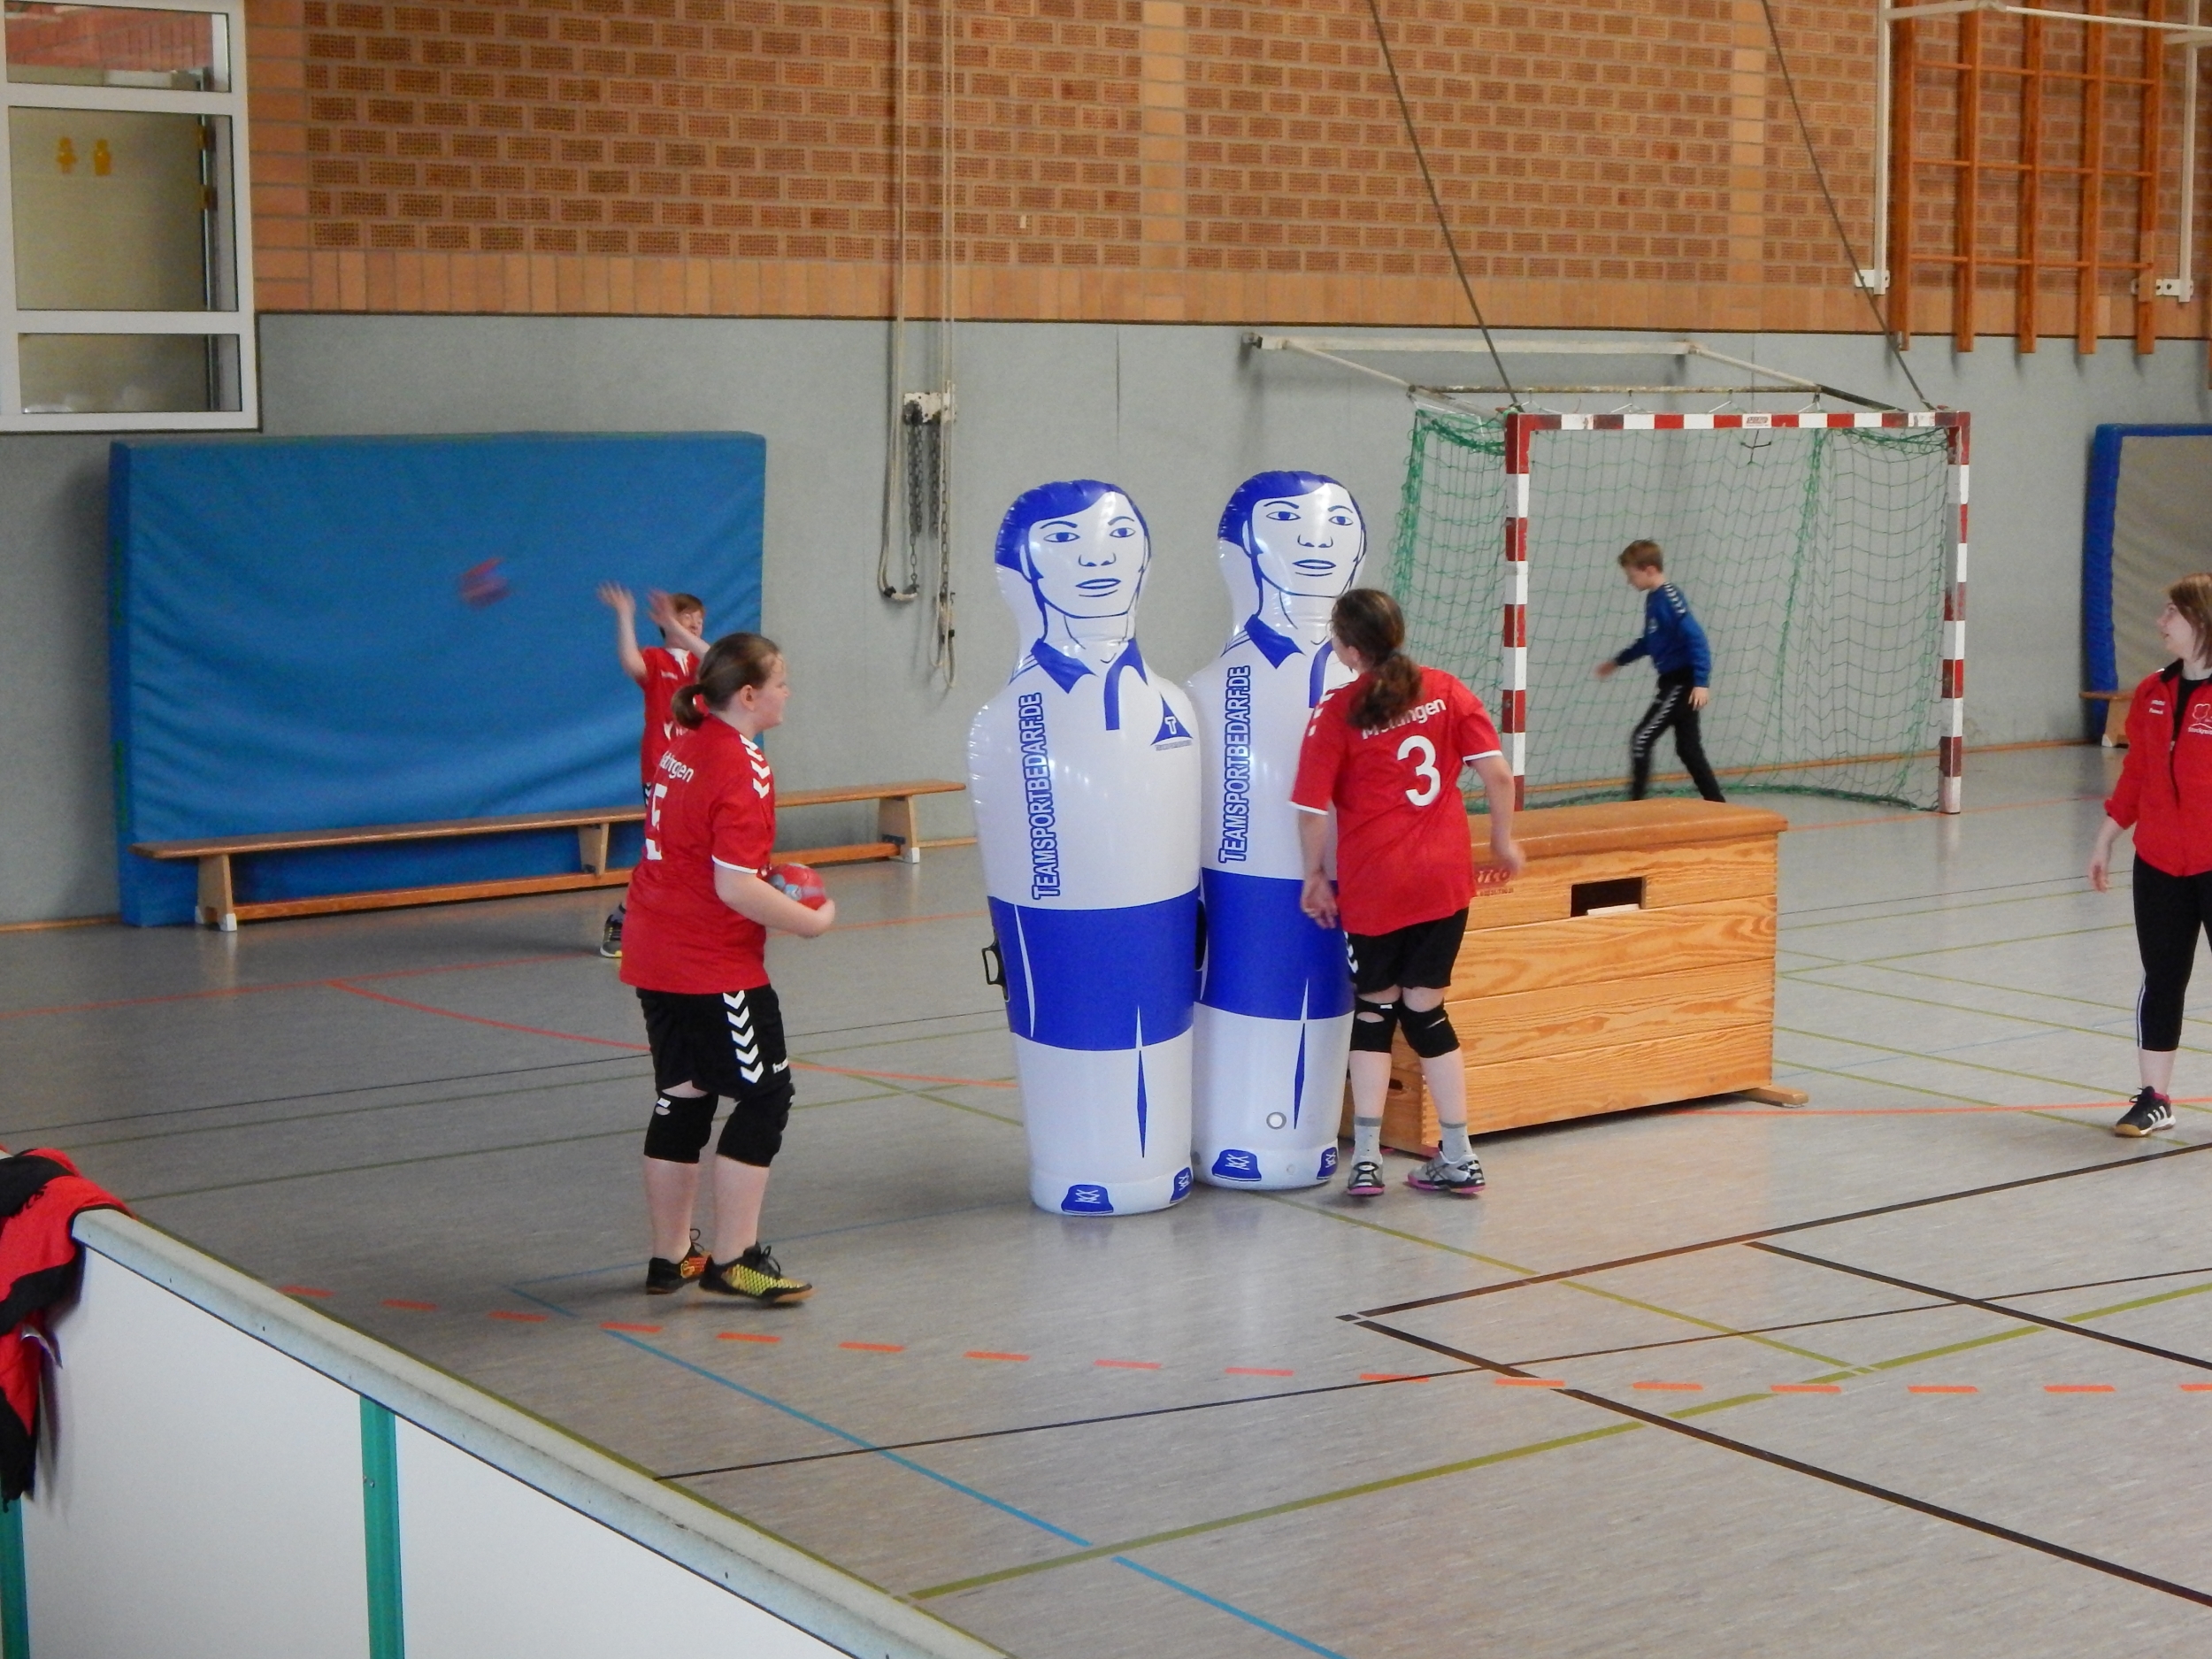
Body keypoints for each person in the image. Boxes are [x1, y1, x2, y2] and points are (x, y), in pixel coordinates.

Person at [620, 631, 833, 1302]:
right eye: (780, 682)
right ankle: (734, 1259)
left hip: (653, 945)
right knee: (766, 1094)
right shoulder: (743, 764)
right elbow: (735, 886)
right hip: (708, 961)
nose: (787, 692)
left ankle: (671, 1257)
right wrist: (809, 921)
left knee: (684, 1093)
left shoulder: (685, 740)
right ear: (748, 695)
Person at [1293, 588, 1525, 1197]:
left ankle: (1367, 1160)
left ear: (1349, 649)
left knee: (1375, 1010)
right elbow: (1499, 775)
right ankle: (1460, 1154)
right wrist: (1503, 842)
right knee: (1426, 1010)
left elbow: (1311, 809)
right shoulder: (1446, 689)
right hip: (1443, 879)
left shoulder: (1337, 711)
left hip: (1377, 883)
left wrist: (1313, 874)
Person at [2088, 573, 2212, 1137]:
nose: (2161, 622)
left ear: (2201, 620)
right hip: (2160, 862)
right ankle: (2154, 1097)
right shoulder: (2152, 691)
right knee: (2162, 976)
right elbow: (2138, 772)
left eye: (2172, 613)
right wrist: (2107, 834)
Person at [596, 583, 711, 959]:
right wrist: (625, 615)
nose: (694, 623)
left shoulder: (703, 665)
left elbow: (717, 659)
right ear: (664, 623)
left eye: (699, 619)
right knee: (662, 851)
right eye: (686, 617)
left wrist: (679, 628)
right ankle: (622, 918)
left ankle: (685, 924)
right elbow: (630, 662)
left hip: (703, 773)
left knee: (700, 851)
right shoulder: (656, 660)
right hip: (663, 773)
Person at [1594, 540, 1724, 803]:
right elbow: (1649, 642)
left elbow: (1696, 638)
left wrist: (1701, 682)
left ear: (1650, 570)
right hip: (1673, 681)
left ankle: (1636, 807)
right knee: (1688, 749)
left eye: (1632, 575)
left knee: (1641, 739)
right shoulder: (1654, 599)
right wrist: (1618, 661)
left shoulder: (1670, 599)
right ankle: (1717, 803)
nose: (1630, 581)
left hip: (1681, 682)